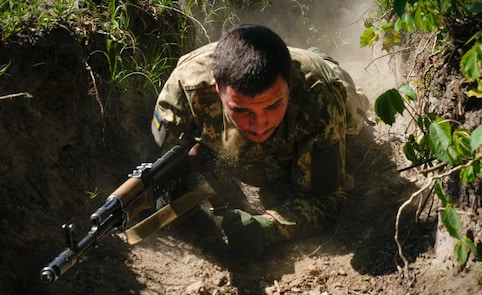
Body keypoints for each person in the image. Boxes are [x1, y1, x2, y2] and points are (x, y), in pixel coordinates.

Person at [150, 24, 369, 257]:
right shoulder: (183, 90)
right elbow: (167, 156)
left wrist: (269, 226)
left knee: (354, 112)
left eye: (273, 106)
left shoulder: (317, 95)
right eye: (242, 110)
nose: (260, 124)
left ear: (290, 85)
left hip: (327, 81)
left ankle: (321, 57)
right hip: (228, 67)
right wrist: (173, 190)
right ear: (217, 88)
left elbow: (327, 198)